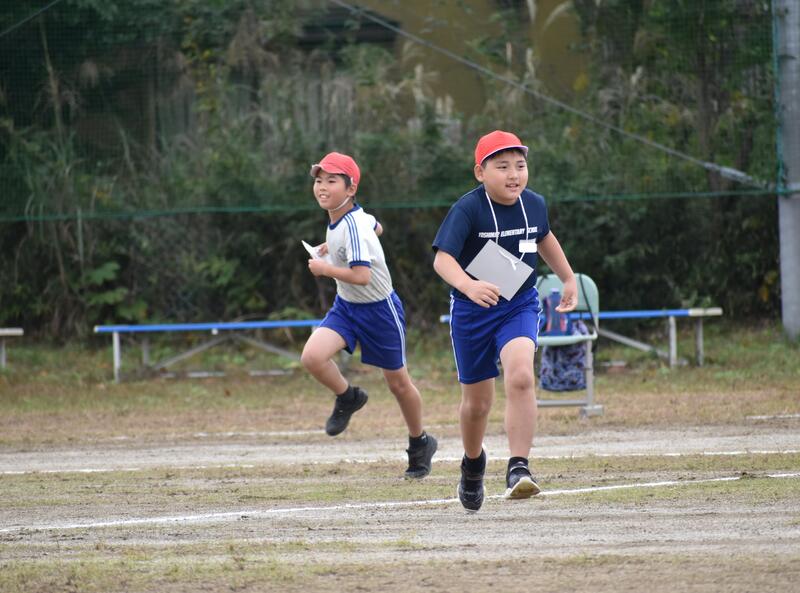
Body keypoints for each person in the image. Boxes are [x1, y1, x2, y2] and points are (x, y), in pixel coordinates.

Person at [432, 131, 577, 511]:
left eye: (520, 165)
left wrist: (567, 277)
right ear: (480, 172)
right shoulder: (467, 209)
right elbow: (442, 260)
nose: (514, 174)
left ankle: (519, 467)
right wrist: (468, 284)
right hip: (472, 312)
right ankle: (472, 464)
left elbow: (544, 238)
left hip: (519, 305)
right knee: (477, 405)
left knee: (521, 376)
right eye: (502, 167)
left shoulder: (534, 204)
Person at [301, 151, 438, 479]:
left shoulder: (352, 226)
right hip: (347, 307)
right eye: (319, 180)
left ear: (350, 189)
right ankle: (349, 397)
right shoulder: (348, 216)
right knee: (312, 357)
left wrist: (326, 269)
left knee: (398, 384)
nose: (322, 186)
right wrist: (332, 248)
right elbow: (377, 226)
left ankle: (420, 443)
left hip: (379, 311)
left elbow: (362, 275)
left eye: (332, 181)